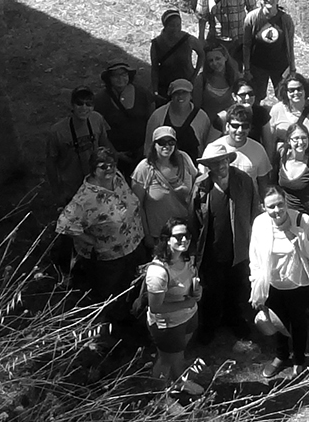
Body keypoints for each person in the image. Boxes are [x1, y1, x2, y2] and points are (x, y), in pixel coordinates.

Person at [53, 148, 146, 311]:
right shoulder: (86, 198)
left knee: (135, 285)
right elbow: (64, 223)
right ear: (94, 170)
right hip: (109, 258)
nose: (109, 169)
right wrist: (92, 241)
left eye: (112, 165)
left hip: (133, 245)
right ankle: (116, 326)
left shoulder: (118, 179)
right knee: (114, 295)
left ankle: (134, 313)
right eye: (103, 166)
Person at [249, 187, 309, 380]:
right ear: (263, 207)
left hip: (298, 284)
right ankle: (281, 356)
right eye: (271, 206)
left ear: (286, 202)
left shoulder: (303, 221)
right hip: (273, 284)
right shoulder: (260, 224)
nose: (277, 210)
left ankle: (299, 360)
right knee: (277, 322)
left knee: (298, 323)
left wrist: (299, 238)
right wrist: (256, 287)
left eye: (280, 204)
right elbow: (255, 256)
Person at [190, 140, 257, 344]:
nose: (219, 166)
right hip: (211, 250)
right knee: (211, 290)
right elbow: (193, 219)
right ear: (208, 166)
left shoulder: (243, 180)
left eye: (223, 161)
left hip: (239, 248)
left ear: (228, 160)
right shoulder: (201, 185)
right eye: (214, 163)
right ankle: (209, 326)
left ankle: (235, 320)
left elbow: (255, 210)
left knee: (237, 287)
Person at [144, 218, 202, 386]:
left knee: (178, 354)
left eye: (187, 235)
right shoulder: (158, 271)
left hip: (188, 317)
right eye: (178, 236)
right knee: (165, 360)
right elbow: (156, 307)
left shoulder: (188, 258)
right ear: (166, 239)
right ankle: (158, 397)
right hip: (168, 324)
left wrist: (198, 290)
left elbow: (192, 281)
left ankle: (178, 382)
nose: (183, 239)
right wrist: (187, 304)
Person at [45, 86, 113, 205]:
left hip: (97, 184)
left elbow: (105, 144)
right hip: (72, 189)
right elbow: (51, 163)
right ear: (72, 105)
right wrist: (56, 192)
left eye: (88, 104)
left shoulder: (97, 119)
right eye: (79, 103)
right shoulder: (57, 131)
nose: (84, 108)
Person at [133, 127, 200, 247]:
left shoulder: (184, 158)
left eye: (171, 142)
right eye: (161, 142)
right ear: (154, 144)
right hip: (159, 235)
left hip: (185, 232)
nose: (166, 146)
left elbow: (197, 182)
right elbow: (137, 205)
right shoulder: (144, 168)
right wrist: (147, 236)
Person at [267, 70, 309, 165]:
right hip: (285, 169)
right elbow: (270, 143)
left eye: (299, 89)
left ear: (305, 90)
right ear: (286, 92)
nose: (296, 92)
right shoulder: (276, 110)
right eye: (291, 90)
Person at [96, 61, 155, 170]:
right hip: (116, 156)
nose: (120, 79)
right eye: (115, 75)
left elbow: (153, 121)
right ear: (109, 78)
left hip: (143, 153)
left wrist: (147, 146)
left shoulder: (142, 93)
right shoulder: (101, 99)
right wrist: (114, 153)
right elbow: (99, 130)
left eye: (124, 75)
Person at [241, 0, 295, 100]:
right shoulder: (252, 18)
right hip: (258, 67)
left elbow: (290, 45)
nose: (269, 0)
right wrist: (247, 69)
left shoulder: (285, 20)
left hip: (279, 66)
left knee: (284, 97)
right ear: (261, 0)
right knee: (256, 97)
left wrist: (292, 69)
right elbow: (246, 45)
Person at [143, 79, 216, 160]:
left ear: (191, 95)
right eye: (176, 93)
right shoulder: (157, 116)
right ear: (171, 95)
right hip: (163, 165)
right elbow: (148, 145)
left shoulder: (202, 116)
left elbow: (206, 145)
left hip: (193, 166)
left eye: (184, 92)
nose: (180, 96)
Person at [210, 104, 275, 192]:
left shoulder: (258, 150)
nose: (240, 130)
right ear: (227, 126)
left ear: (250, 128)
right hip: (220, 201)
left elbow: (263, 184)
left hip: (248, 202)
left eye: (245, 126)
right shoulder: (213, 148)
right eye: (235, 126)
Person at [151, 9, 204, 101]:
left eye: (178, 25)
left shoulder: (188, 39)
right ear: (165, 26)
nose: (175, 28)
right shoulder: (157, 44)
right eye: (172, 25)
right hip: (165, 85)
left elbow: (201, 54)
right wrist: (155, 90)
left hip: (187, 82)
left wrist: (195, 74)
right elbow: (154, 68)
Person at [194, 42, 242, 125]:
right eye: (210, 60)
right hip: (207, 126)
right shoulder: (201, 80)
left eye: (218, 58)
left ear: (225, 57)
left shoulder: (236, 77)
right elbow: (196, 108)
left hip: (231, 125)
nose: (215, 63)